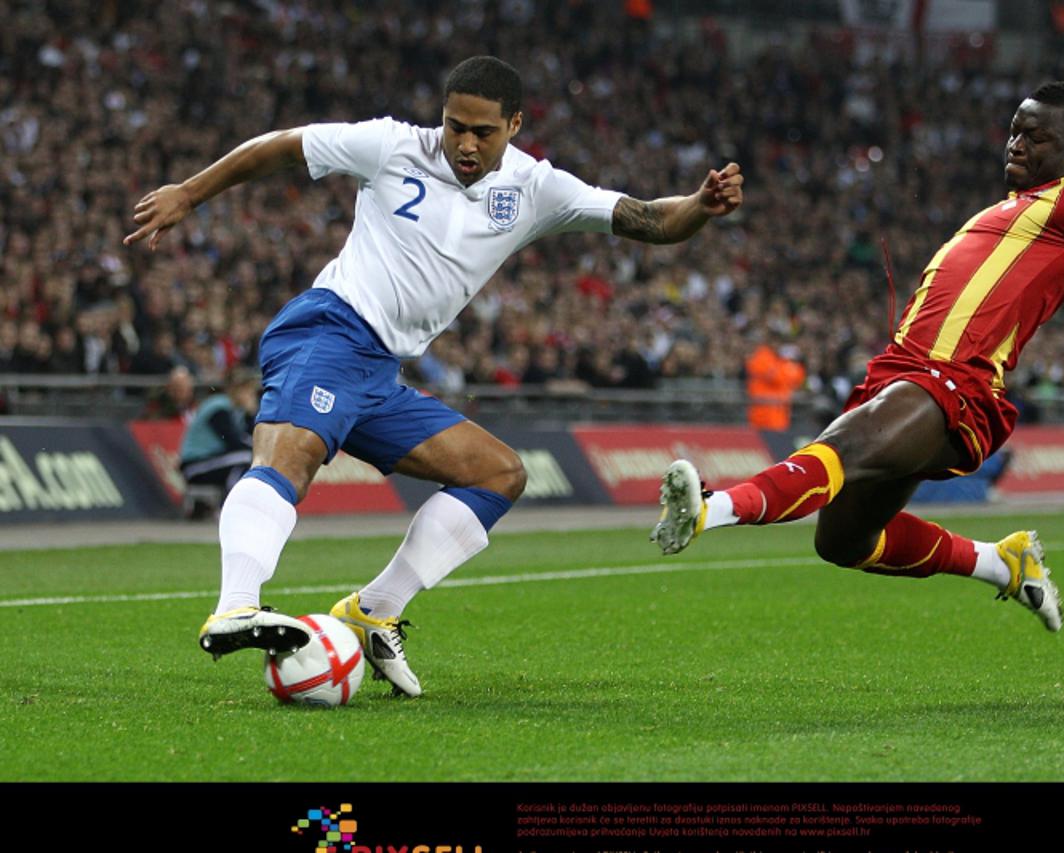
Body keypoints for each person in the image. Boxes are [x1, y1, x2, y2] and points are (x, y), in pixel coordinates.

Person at [124, 56, 743, 696]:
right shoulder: (392, 146)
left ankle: (374, 608)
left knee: (498, 473)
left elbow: (648, 218)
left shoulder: (537, 188)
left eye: (483, 131)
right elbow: (284, 145)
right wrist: (189, 193)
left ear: (515, 125)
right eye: (455, 127)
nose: (466, 144)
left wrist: (699, 205)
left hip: (381, 373)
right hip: (330, 329)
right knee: (289, 459)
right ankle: (236, 605)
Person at [651, 81, 1064, 633]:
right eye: (1013, 131)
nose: (1016, 144)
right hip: (901, 373)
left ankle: (709, 509)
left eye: (1034, 136)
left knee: (842, 451)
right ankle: (1000, 563)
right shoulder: (1002, 212)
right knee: (842, 541)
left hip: (953, 383)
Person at [179, 368, 261, 515]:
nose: (251, 395)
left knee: (247, 459)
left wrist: (251, 414)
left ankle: (241, 508)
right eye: (247, 390)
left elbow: (251, 436)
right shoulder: (218, 406)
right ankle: (230, 508)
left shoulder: (238, 411)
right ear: (235, 389)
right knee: (247, 456)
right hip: (195, 464)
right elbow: (234, 441)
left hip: (216, 461)